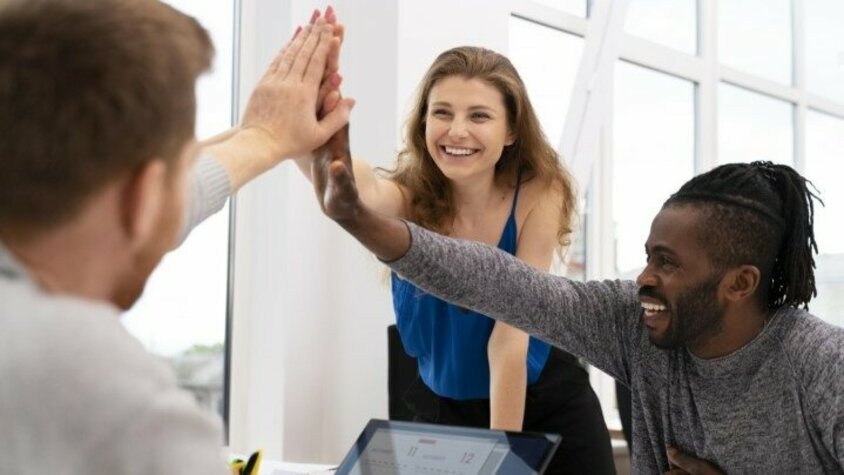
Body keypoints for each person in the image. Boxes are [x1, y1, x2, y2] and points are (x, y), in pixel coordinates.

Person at [313, 122, 844, 473]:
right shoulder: (634, 325)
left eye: (668, 263)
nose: (644, 278)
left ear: (739, 284)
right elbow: (503, 283)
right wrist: (361, 220)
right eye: (649, 256)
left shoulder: (820, 364)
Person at [0, 1, 350, 472]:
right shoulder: (88, 374)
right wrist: (263, 137)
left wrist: (264, 136)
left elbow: (144, 195)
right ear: (142, 197)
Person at [305, 46, 614, 474]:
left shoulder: (540, 192)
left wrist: (496, 461)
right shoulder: (408, 194)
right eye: (442, 113)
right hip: (443, 410)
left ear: (511, 132)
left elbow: (509, 341)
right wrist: (317, 135)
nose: (457, 131)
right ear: (424, 121)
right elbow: (360, 193)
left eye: (479, 116)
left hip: (542, 403)